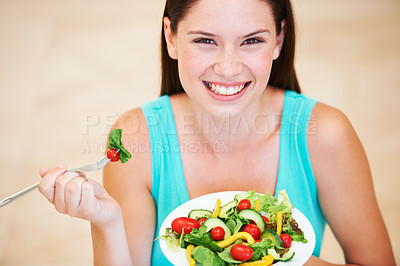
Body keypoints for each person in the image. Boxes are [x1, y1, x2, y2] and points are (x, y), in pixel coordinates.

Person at [38, 0, 396, 265]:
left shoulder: (325, 134)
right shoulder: (134, 140)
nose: (228, 67)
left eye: (252, 40)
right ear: (171, 37)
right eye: (206, 41)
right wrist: (108, 222)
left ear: (278, 40)